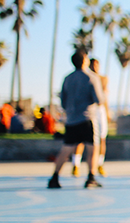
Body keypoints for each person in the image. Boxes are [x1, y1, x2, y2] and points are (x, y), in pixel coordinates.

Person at [48, 49, 104, 189]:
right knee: (92, 149)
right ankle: (91, 177)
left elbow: (63, 101)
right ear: (85, 61)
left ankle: (54, 177)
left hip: (71, 120)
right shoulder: (91, 77)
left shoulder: (67, 78)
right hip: (87, 119)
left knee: (66, 149)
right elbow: (99, 100)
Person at [74, 58, 110, 177]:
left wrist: (107, 111)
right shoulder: (86, 78)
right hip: (89, 111)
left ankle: (99, 164)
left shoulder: (103, 79)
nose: (94, 67)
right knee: (83, 139)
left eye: (96, 64)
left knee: (101, 138)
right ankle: (76, 164)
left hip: (100, 111)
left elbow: (104, 98)